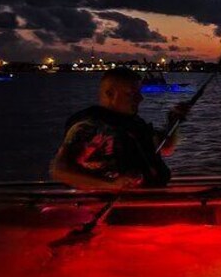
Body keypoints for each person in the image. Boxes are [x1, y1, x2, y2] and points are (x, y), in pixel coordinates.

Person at [51, 68, 190, 190]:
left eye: (139, 93)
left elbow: (165, 147)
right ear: (110, 94)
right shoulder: (90, 125)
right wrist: (112, 184)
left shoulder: (134, 122)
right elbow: (61, 170)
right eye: (131, 94)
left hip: (150, 200)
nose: (140, 99)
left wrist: (174, 121)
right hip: (115, 207)